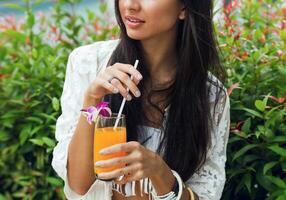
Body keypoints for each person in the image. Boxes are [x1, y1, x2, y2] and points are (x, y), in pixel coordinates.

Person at [52, 0, 230, 199]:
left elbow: (204, 195)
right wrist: (92, 99)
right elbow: (79, 185)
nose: (130, 5)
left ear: (184, 8)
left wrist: (161, 174)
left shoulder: (210, 95)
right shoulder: (89, 63)